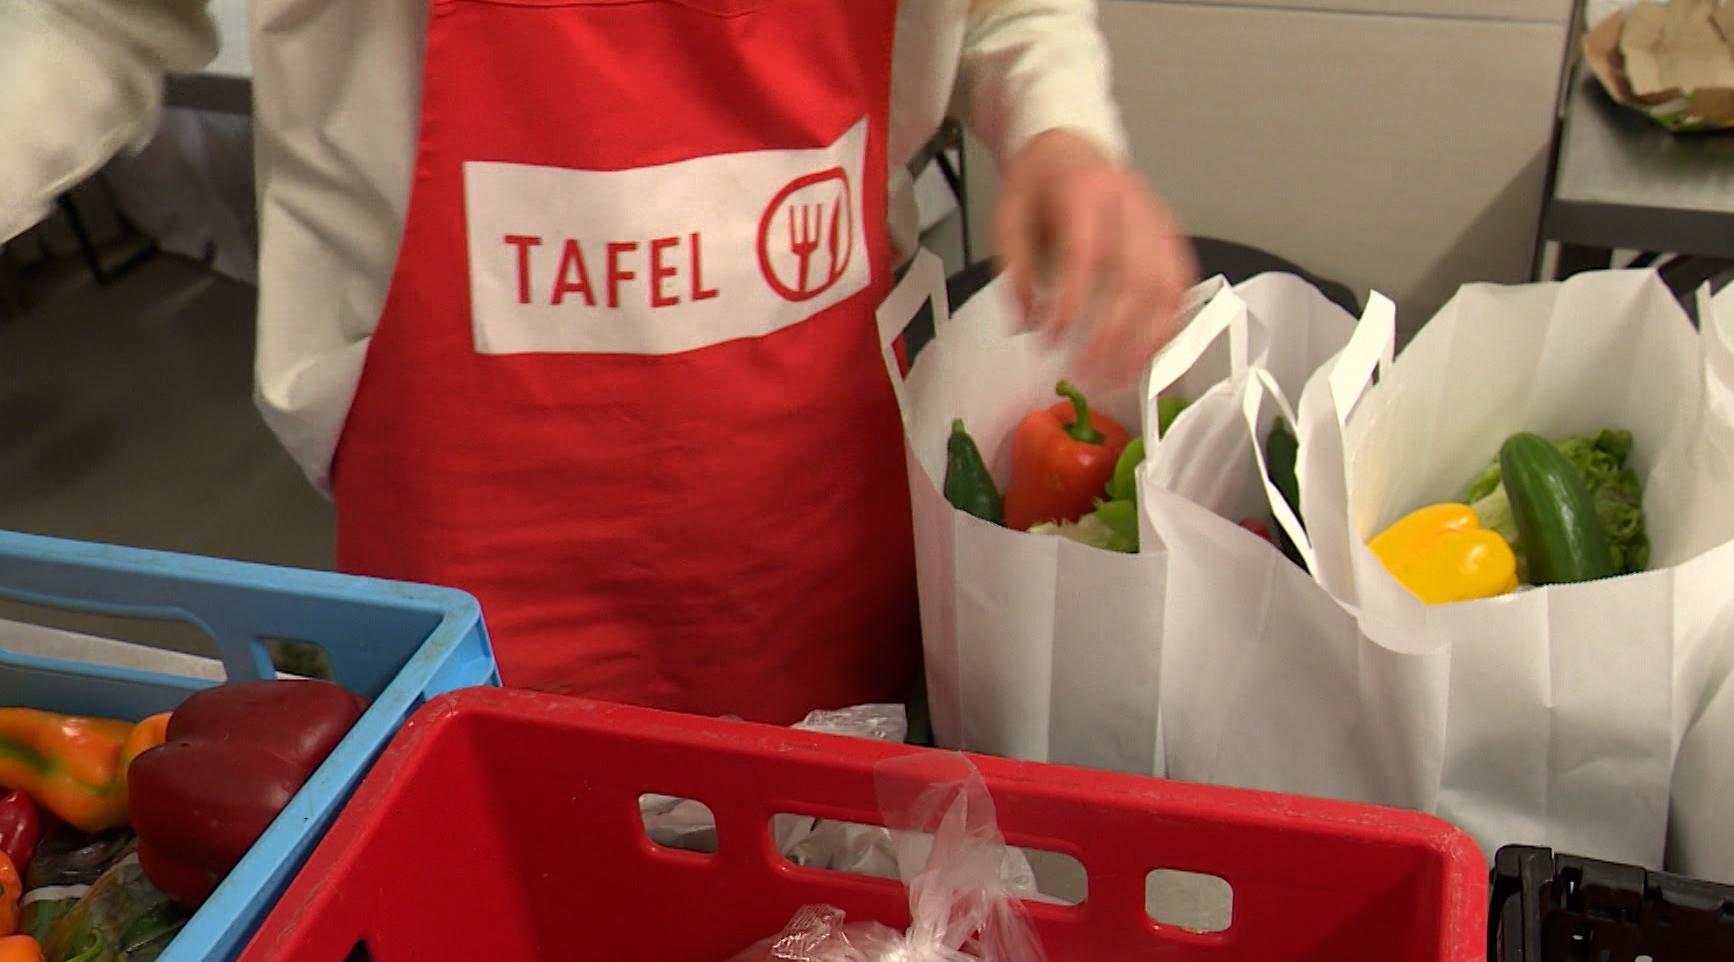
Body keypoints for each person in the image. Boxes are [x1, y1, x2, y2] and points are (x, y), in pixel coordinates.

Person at [1, 0, 1197, 723]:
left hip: (814, 475)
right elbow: (93, 16)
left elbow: (1004, 11)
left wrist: (1055, 124)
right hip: (472, 491)